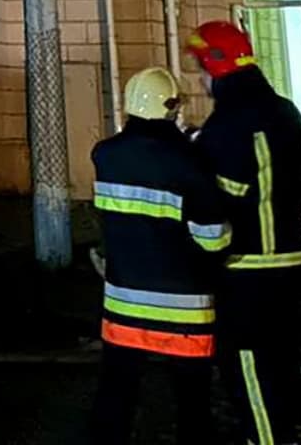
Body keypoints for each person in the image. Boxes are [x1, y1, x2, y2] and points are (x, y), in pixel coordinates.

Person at [187, 20, 301, 444]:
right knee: (280, 351)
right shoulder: (286, 111)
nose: (199, 78)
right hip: (290, 257)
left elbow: (217, 199)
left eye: (201, 68)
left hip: (248, 264)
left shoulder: (227, 124)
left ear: (216, 66)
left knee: (244, 361)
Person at [90, 66, 231, 445]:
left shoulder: (105, 155)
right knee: (193, 406)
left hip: (124, 304)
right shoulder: (190, 162)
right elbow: (213, 238)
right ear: (173, 108)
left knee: (115, 398)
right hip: (185, 310)